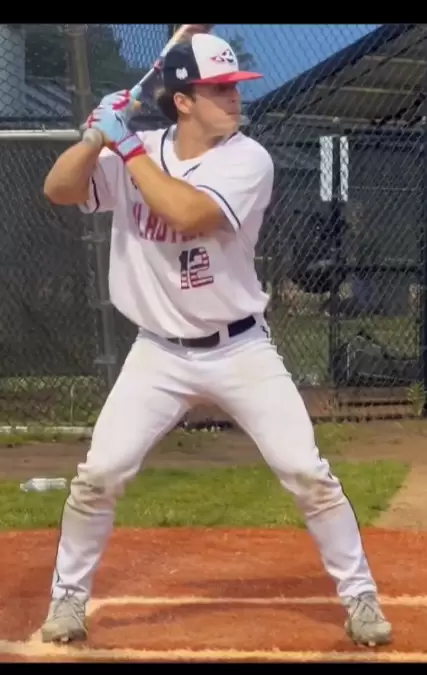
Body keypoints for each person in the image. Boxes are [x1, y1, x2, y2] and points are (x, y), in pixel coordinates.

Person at [40, 32, 392, 647]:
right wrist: (95, 137)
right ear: (183, 102)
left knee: (306, 472)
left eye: (234, 88)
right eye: (219, 90)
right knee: (99, 475)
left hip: (240, 349)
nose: (234, 99)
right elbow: (60, 189)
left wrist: (124, 145)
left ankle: (360, 596)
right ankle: (68, 597)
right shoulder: (138, 151)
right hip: (157, 353)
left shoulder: (247, 159)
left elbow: (188, 213)